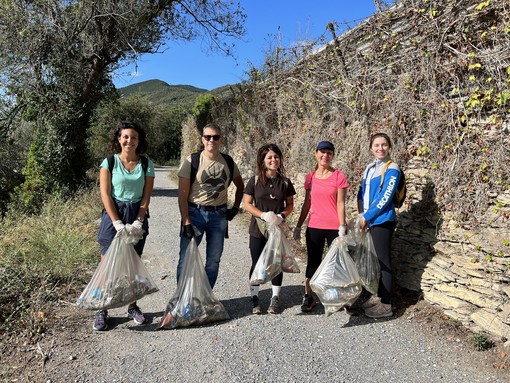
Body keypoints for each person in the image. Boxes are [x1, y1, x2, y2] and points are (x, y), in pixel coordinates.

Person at [95, 121, 155, 331]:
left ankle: (132, 307)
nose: (130, 141)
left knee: (132, 264)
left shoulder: (146, 164)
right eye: (126, 137)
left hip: (136, 214)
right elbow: (105, 194)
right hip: (114, 215)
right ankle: (102, 309)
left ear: (140, 141)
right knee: (106, 266)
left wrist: (139, 220)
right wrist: (116, 222)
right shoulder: (109, 162)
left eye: (134, 137)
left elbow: (146, 196)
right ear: (119, 139)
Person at [177, 123, 244, 289]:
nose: (211, 140)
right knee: (185, 259)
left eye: (215, 137)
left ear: (221, 139)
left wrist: (235, 207)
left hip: (218, 215)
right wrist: (186, 221)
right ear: (202, 139)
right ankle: (181, 300)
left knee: (213, 260)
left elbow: (241, 186)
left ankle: (205, 299)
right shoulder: (191, 161)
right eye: (208, 137)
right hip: (195, 214)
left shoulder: (227, 161)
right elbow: (182, 196)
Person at [293, 141, 349, 312]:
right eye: (322, 152)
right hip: (315, 227)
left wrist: (342, 226)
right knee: (313, 262)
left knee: (336, 264)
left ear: (332, 156)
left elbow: (341, 204)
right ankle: (308, 297)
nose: (325, 156)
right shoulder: (310, 177)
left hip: (334, 227)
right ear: (316, 154)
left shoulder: (339, 176)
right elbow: (307, 203)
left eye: (329, 153)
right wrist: (298, 226)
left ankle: (338, 298)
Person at [243, 144, 296, 314]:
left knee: (276, 263)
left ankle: (275, 298)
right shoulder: (255, 181)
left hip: (277, 229)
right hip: (258, 229)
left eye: (276, 157)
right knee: (256, 261)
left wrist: (282, 216)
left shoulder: (285, 182)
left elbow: (290, 204)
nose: (273, 160)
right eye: (269, 158)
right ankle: (255, 298)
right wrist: (263, 215)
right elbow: (247, 204)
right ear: (263, 161)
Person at [357, 132, 400, 319]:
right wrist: (362, 214)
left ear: (389, 147)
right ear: (371, 148)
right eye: (376, 145)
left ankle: (386, 305)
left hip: (382, 220)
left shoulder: (393, 168)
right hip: (368, 220)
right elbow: (361, 193)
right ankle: (379, 296)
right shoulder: (369, 168)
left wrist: (367, 216)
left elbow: (386, 197)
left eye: (384, 145)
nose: (380, 148)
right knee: (375, 262)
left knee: (383, 262)